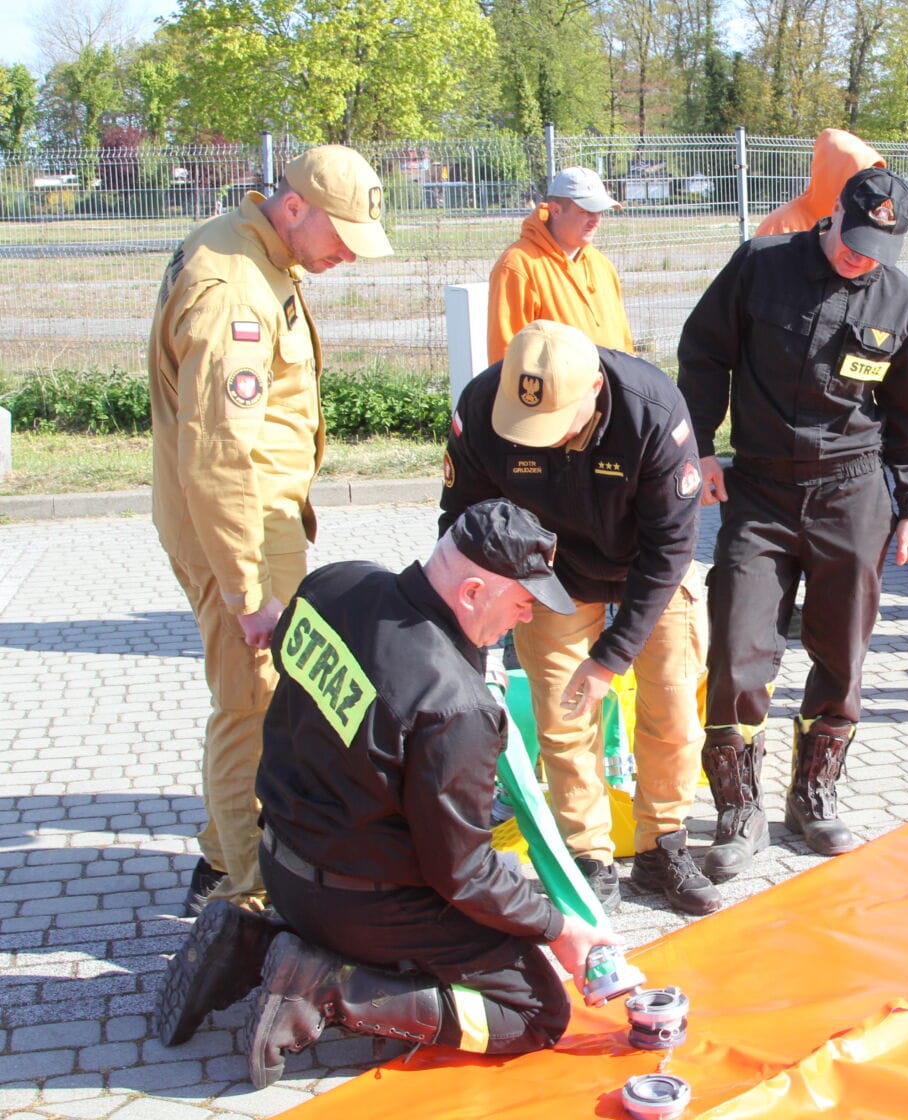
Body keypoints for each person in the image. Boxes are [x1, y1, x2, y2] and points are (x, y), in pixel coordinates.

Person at [153, 499, 623, 1087]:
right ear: (474, 592)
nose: (527, 618)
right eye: (523, 601)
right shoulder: (454, 705)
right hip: (359, 903)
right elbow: (464, 874)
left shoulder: (332, 583)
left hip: (279, 860)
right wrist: (559, 927)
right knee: (535, 1012)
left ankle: (254, 943)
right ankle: (329, 988)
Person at [148, 144, 392, 915]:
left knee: (258, 698)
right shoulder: (236, 292)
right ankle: (248, 892)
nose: (348, 255)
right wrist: (247, 590)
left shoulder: (256, 250)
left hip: (255, 521)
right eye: (341, 237)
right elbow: (217, 458)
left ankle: (225, 858)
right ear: (296, 208)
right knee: (253, 707)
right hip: (238, 531)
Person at [677, 167, 908, 877]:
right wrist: (700, 450)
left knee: (842, 654)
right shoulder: (762, 266)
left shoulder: (898, 298)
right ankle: (738, 810)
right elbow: (703, 355)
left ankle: (812, 796)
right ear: (832, 217)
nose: (860, 256)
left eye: (878, 246)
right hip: (759, 493)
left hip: (852, 495)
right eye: (853, 240)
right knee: (737, 648)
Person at [441, 320, 718, 916]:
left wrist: (609, 659)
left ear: (594, 387)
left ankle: (662, 847)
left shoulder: (654, 410)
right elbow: (462, 519)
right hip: (552, 577)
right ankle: (587, 857)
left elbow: (671, 547)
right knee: (564, 722)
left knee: (672, 712)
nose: (535, 439)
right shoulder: (484, 406)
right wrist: (472, 614)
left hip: (649, 569)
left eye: (552, 424)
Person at [487, 167, 633, 362]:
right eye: (586, 211)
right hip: (554, 392)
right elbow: (506, 356)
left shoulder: (602, 265)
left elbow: (624, 342)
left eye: (599, 211)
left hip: (607, 389)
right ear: (555, 210)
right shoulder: (518, 266)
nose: (595, 220)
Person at [754, 127, 885, 238]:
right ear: (834, 174)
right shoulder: (782, 224)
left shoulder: (864, 223)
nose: (867, 187)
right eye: (860, 178)